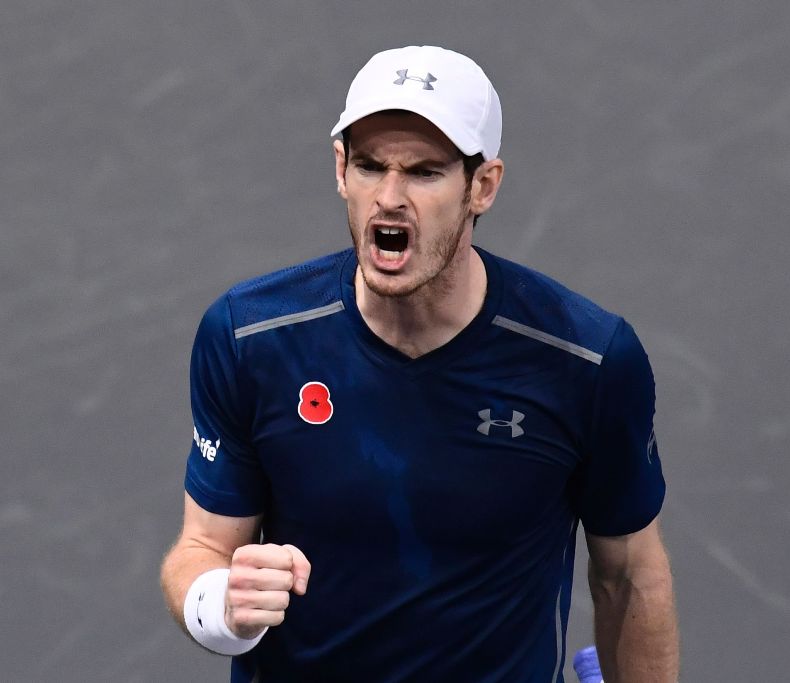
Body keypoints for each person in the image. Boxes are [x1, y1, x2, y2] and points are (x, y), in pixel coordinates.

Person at [160, 45, 679, 682]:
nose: (390, 197)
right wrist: (221, 605)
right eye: (371, 166)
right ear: (340, 169)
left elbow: (629, 576)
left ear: (482, 186)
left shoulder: (586, 360)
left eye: (425, 173)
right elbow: (204, 547)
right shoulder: (249, 337)